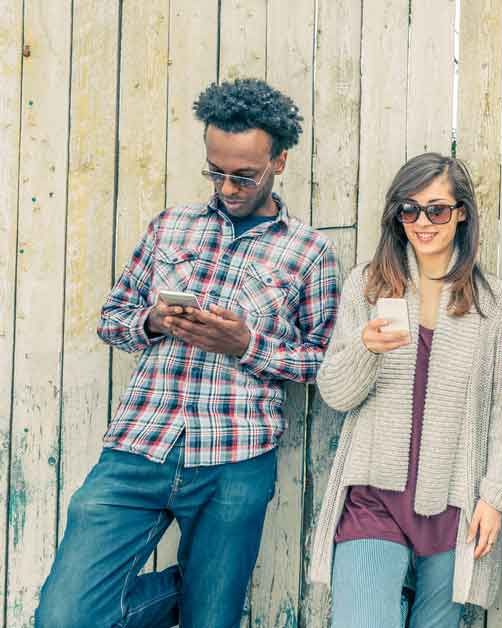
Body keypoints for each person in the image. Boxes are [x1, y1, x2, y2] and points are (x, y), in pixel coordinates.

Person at [36, 78, 339, 628]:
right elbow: (112, 319)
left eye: (243, 174)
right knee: (66, 616)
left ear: (280, 161)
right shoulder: (171, 225)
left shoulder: (310, 253)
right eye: (215, 171)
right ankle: (191, 586)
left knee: (212, 621)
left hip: (235, 457)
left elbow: (321, 360)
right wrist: (153, 321)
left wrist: (245, 344)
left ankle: (207, 593)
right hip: (139, 445)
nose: (227, 186)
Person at [306, 153, 502, 627]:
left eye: (437, 210)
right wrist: (366, 348)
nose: (422, 222)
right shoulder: (366, 285)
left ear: (461, 212)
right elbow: (336, 395)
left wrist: (493, 497)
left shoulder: (494, 300)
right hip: (373, 496)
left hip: (453, 501)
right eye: (410, 210)